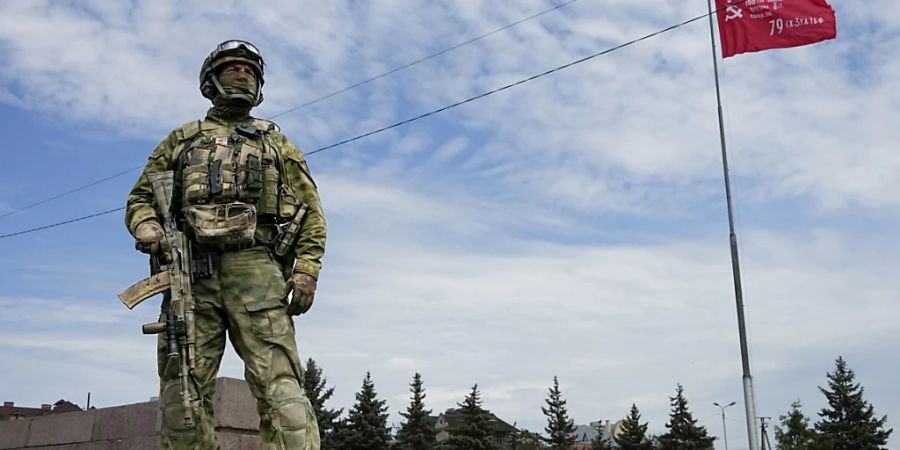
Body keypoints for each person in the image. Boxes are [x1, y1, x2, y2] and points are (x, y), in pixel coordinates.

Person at [125, 40, 325, 450]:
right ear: (210, 81)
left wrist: (306, 269)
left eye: (250, 70)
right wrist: (147, 227)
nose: (243, 73)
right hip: (192, 274)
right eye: (233, 67)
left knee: (283, 394)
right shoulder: (180, 140)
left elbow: (311, 212)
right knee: (181, 397)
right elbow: (140, 198)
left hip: (258, 273)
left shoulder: (277, 142)